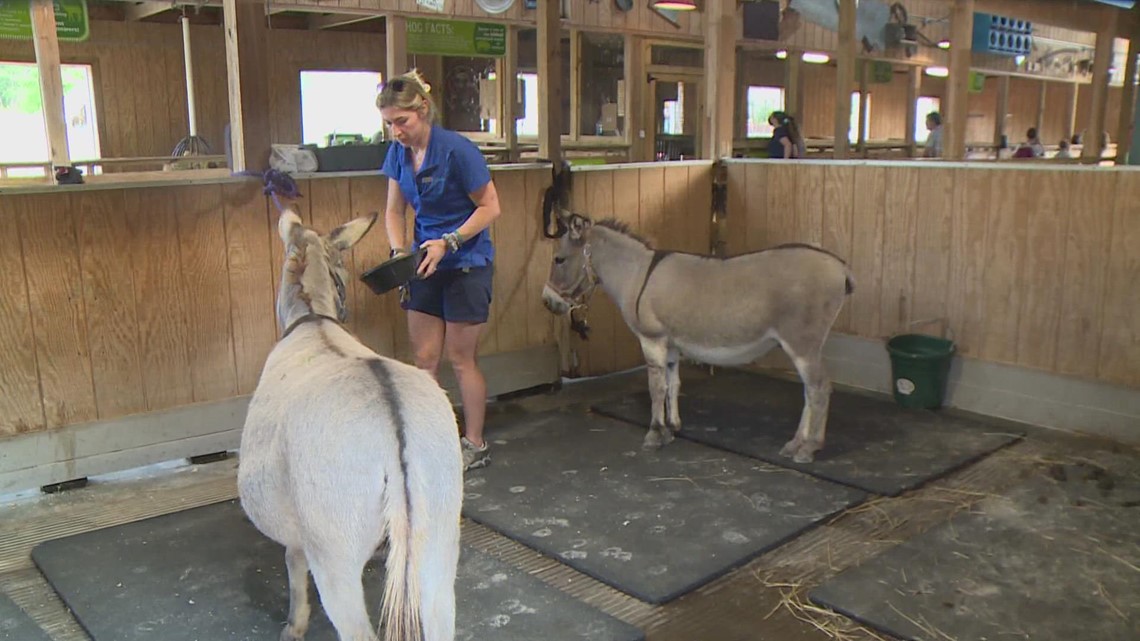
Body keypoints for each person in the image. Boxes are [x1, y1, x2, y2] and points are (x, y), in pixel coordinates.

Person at [377, 69, 502, 471]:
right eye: (389, 124)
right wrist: (400, 252)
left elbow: (490, 208)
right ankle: (433, 441)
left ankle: (475, 444)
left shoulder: (457, 150)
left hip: (466, 261)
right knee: (425, 358)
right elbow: (395, 209)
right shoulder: (398, 153)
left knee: (461, 358)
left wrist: (450, 241)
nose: (396, 131)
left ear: (423, 110)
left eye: (402, 122)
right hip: (423, 262)